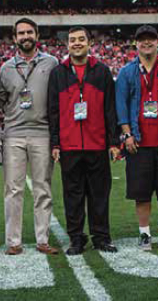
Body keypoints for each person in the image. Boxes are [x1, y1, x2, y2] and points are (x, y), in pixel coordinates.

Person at [48, 27, 120, 255]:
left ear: (89, 43)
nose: (77, 43)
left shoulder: (102, 72)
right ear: (67, 45)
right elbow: (53, 112)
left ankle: (101, 237)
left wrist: (113, 141)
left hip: (97, 144)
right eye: (72, 40)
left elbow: (110, 109)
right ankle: (76, 238)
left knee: (99, 195)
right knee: (73, 196)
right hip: (69, 146)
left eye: (81, 39)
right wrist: (56, 143)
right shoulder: (58, 73)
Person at [115, 25, 158, 251]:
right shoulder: (126, 72)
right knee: (141, 192)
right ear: (135, 43)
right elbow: (121, 105)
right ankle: (144, 234)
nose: (146, 43)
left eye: (150, 39)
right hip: (139, 141)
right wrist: (126, 134)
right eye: (142, 40)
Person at [0, 18, 60, 255]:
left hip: (43, 134)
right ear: (14, 38)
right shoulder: (6, 68)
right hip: (13, 134)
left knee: (42, 187)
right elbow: (0, 100)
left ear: (37, 35)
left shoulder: (51, 63)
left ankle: (42, 239)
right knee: (13, 189)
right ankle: (13, 241)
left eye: (29, 32)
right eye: (21, 33)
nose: (25, 36)